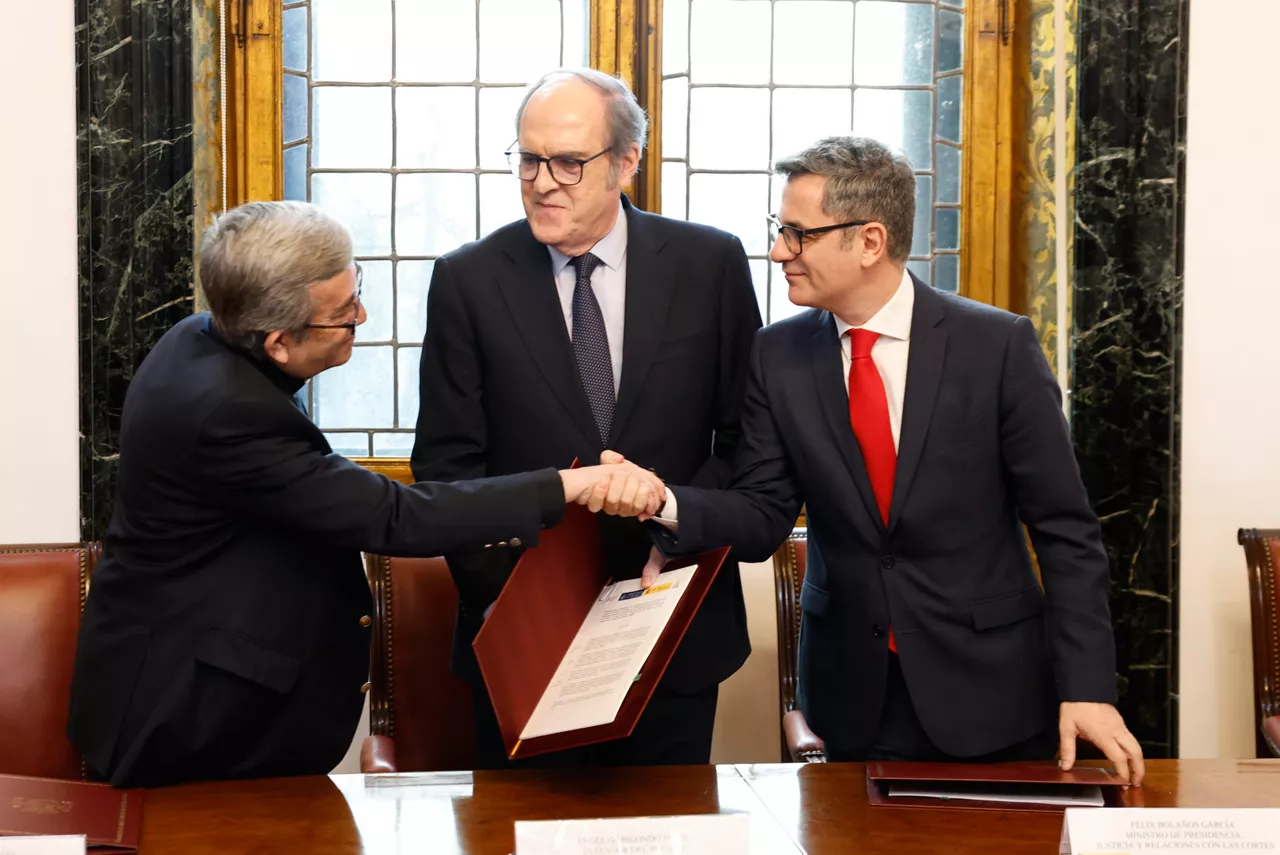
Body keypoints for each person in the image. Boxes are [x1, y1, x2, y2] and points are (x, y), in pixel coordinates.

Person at [67, 201, 664, 789]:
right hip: (189, 714)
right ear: (277, 341)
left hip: (193, 678)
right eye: (344, 312)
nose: (363, 315)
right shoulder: (227, 411)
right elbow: (395, 516)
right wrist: (568, 485)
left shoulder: (202, 335)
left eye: (357, 288)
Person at [648, 137, 1146, 785]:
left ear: (870, 241)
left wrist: (1087, 687)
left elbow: (1065, 531)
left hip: (992, 690)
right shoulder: (778, 355)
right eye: (780, 231)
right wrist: (664, 500)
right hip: (853, 698)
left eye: (798, 234)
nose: (778, 252)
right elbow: (764, 511)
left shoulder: (996, 347)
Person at [411, 68, 762, 768]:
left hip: (675, 626)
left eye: (568, 163)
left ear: (626, 162)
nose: (543, 181)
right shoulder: (468, 280)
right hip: (523, 642)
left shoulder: (709, 263)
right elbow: (446, 470)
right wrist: (528, 605)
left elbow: (748, 440)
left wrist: (675, 517)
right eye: (528, 158)